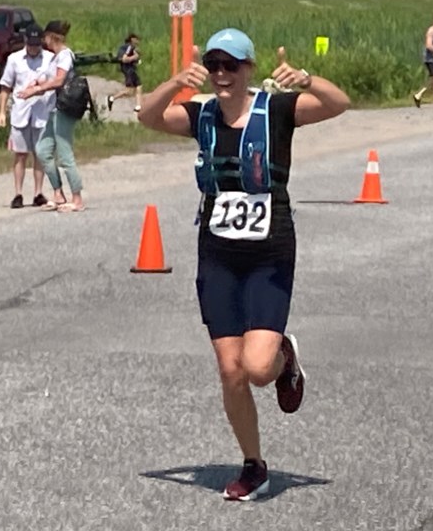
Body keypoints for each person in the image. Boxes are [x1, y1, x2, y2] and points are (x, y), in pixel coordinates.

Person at [137, 28, 350, 502]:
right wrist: (176, 82)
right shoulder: (203, 115)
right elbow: (148, 117)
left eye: (230, 65)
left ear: (248, 68)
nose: (221, 74)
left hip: (269, 250)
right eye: (213, 65)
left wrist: (308, 79)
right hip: (218, 253)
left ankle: (283, 358)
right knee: (230, 370)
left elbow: (340, 104)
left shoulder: (275, 111)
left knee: (256, 367)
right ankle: (254, 464)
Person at [17, 20, 85, 213]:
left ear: (51, 37)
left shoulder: (65, 55)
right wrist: (33, 88)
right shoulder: (54, 58)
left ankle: (77, 198)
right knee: (42, 150)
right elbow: (46, 80)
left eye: (45, 37)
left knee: (64, 155)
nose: (43, 40)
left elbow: (59, 80)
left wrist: (38, 88)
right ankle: (58, 193)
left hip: (64, 110)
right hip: (52, 110)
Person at [0, 23, 53, 209]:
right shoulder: (14, 59)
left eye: (37, 44)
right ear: (26, 42)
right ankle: (18, 193)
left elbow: (56, 83)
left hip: (41, 113)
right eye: (31, 44)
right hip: (20, 113)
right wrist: (2, 112)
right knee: (20, 154)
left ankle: (38, 192)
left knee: (40, 154)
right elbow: (6, 86)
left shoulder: (50, 60)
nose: (34, 48)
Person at [107, 33, 143, 113]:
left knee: (139, 86)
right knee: (129, 90)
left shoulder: (129, 47)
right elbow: (124, 59)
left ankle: (138, 106)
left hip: (131, 69)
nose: (138, 41)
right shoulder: (129, 47)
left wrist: (136, 60)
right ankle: (112, 98)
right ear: (132, 39)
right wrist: (135, 57)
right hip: (128, 70)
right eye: (137, 39)